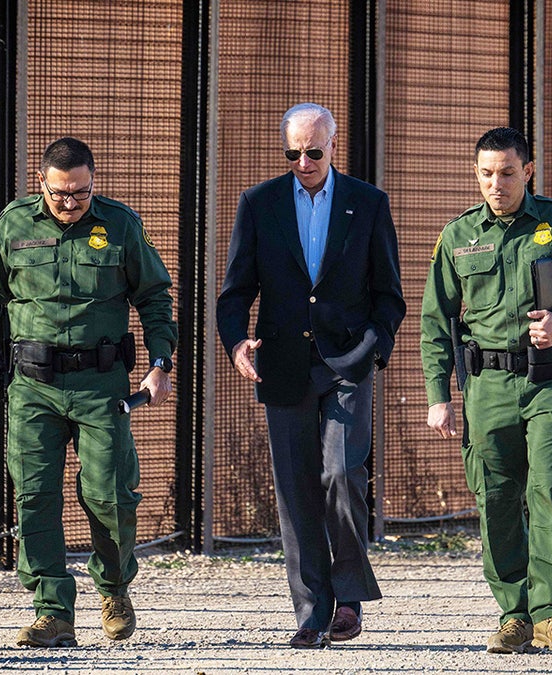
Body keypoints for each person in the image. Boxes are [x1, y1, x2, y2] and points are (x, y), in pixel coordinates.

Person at [0, 137, 178, 648]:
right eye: (60, 194)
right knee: (35, 495)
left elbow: (154, 298)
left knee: (110, 494)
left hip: (101, 385)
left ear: (93, 182)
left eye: (80, 192)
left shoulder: (120, 224)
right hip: (33, 386)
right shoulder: (14, 224)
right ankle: (53, 610)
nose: (70, 202)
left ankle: (115, 587)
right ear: (43, 184)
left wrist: (161, 364)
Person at [420, 127, 552, 654]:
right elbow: (436, 323)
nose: (496, 183)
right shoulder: (458, 236)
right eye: (486, 173)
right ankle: (514, 614)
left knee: (550, 486)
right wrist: (438, 396)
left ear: (527, 171)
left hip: (549, 377)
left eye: (507, 172)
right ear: (476, 174)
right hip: (486, 386)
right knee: (498, 498)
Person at [217, 103, 405, 649]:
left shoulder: (368, 204)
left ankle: (347, 598)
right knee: (297, 490)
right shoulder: (259, 203)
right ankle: (311, 611)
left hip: (348, 362)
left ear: (333, 146)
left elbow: (389, 294)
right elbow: (234, 294)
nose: (303, 161)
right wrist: (236, 346)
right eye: (293, 152)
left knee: (343, 473)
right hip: (283, 365)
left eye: (314, 151)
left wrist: (373, 349)